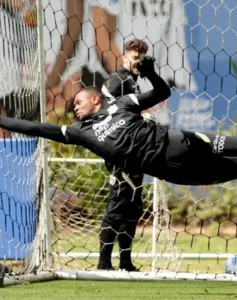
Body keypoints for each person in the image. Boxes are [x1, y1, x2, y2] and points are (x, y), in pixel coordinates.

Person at [0, 55, 237, 198]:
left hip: (181, 145)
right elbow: (40, 129)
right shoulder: (80, 133)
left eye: (77, 101)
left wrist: (149, 72)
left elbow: (162, 90)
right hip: (173, 172)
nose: (73, 109)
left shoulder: (121, 104)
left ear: (96, 97)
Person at [97, 39, 151, 272]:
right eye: (134, 57)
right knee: (117, 207)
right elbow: (105, 111)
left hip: (134, 153)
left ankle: (126, 261)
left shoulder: (133, 82)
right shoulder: (117, 80)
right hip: (121, 153)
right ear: (124, 57)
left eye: (141, 58)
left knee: (133, 208)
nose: (138, 62)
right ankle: (104, 263)